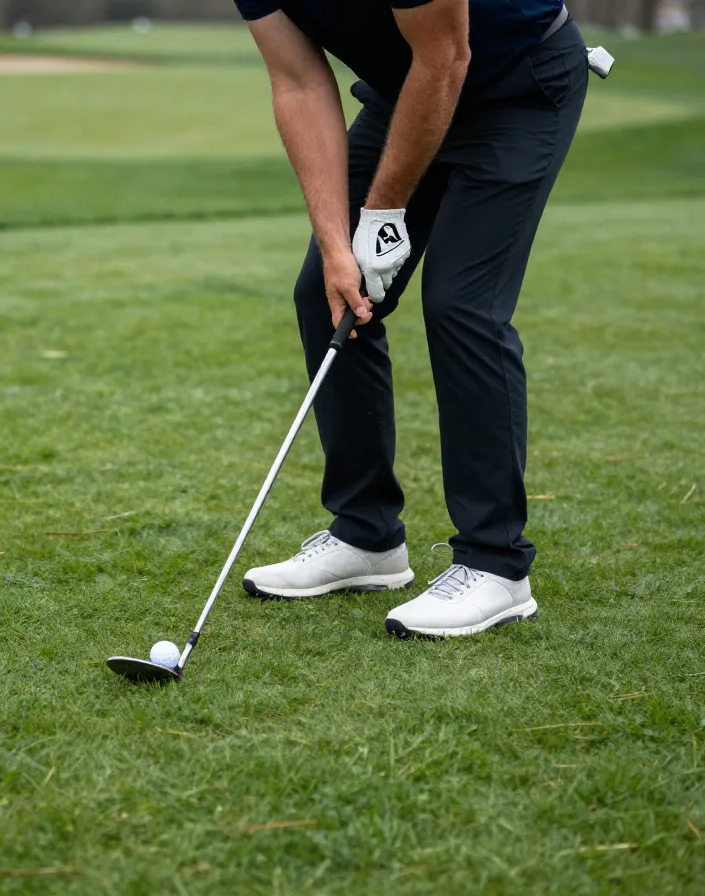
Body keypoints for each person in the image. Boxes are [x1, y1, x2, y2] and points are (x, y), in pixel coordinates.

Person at [234, 0, 589, 637]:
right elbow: (299, 81)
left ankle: (496, 564)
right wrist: (337, 245)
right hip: (406, 96)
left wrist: (382, 213)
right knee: (327, 294)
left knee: (462, 306)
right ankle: (367, 535)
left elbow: (445, 57)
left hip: (516, 87)